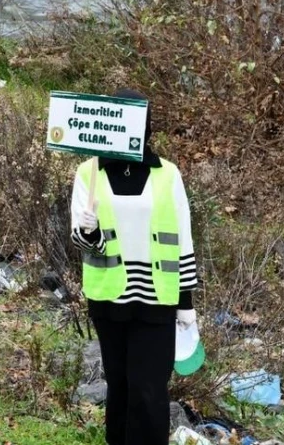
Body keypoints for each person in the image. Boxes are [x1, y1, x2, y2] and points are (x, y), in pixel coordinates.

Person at [70, 89, 198, 445]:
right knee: (121, 385)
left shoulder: (168, 175)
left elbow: (183, 239)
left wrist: (186, 305)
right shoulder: (89, 172)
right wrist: (87, 229)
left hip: (158, 297)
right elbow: (81, 245)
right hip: (109, 297)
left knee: (149, 388)